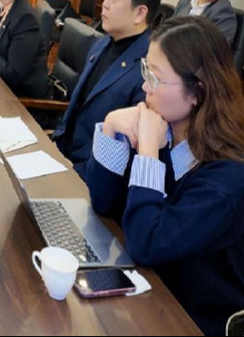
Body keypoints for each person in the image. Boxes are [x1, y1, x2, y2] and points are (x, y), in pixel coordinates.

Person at [85, 17, 244, 336]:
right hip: (149, 288)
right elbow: (103, 202)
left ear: (197, 91)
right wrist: (112, 126)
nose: (144, 87)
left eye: (155, 78)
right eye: (145, 70)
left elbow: (147, 243)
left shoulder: (226, 181)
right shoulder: (165, 131)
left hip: (190, 318)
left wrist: (147, 151)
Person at [52, 0, 164, 178]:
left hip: (88, 178)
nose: (105, 3)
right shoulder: (101, 43)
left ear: (140, 13)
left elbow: (124, 159)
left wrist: (70, 172)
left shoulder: (148, 71)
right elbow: (76, 109)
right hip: (62, 159)